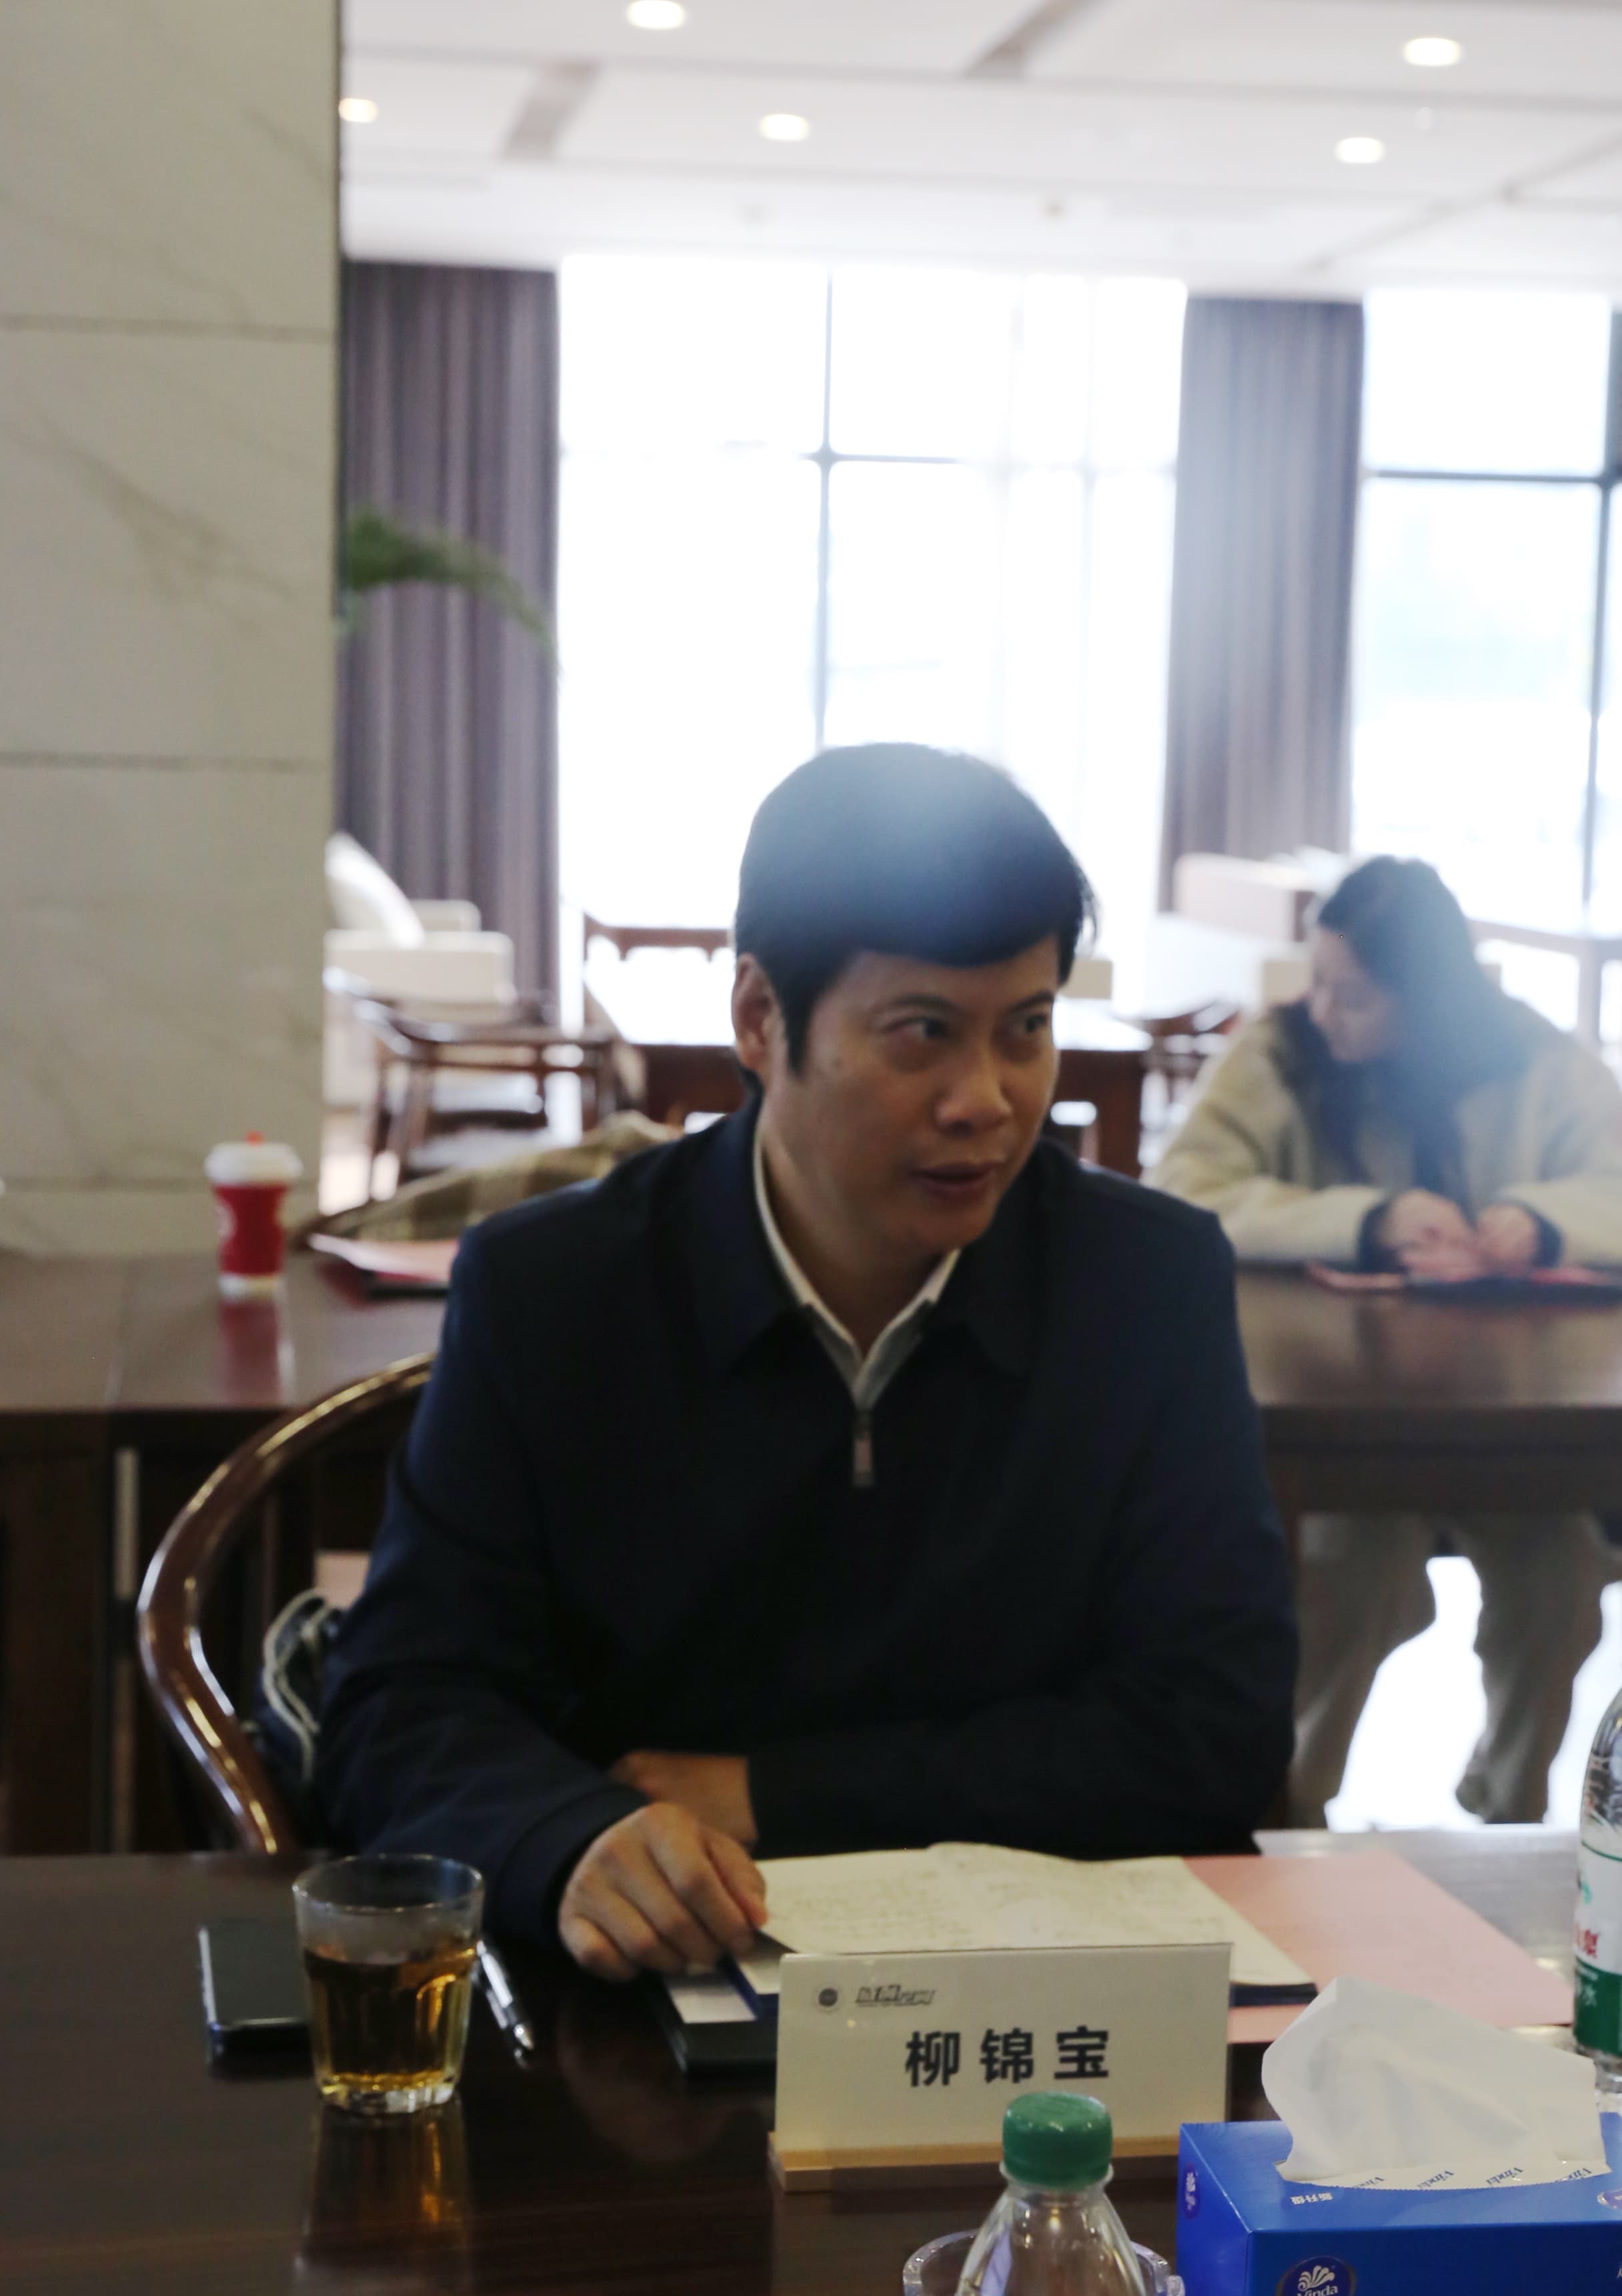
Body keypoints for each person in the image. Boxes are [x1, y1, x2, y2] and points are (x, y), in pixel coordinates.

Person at [317, 745, 1296, 1980]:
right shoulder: (555, 1293)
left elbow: (1216, 1726)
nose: (987, 1100)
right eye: (923, 1034)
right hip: (646, 1998)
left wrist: (772, 1793)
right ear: (759, 1018)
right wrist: (569, 1838)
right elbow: (401, 1703)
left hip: (1040, 1998)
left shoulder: (1147, 1285)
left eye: (1027, 1029)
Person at [1155, 854, 1622, 1827]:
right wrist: (1366, 1219)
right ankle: (1287, 1811)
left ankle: (1508, 1812)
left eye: (1356, 995)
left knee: (1562, 1575)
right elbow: (1185, 1191)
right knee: (1347, 1569)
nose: (1324, 1009)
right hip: (1336, 1411)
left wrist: (1539, 1220)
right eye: (1318, 980)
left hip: (1504, 1416)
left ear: (1429, 998)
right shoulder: (1281, 1053)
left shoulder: (1529, 1056)